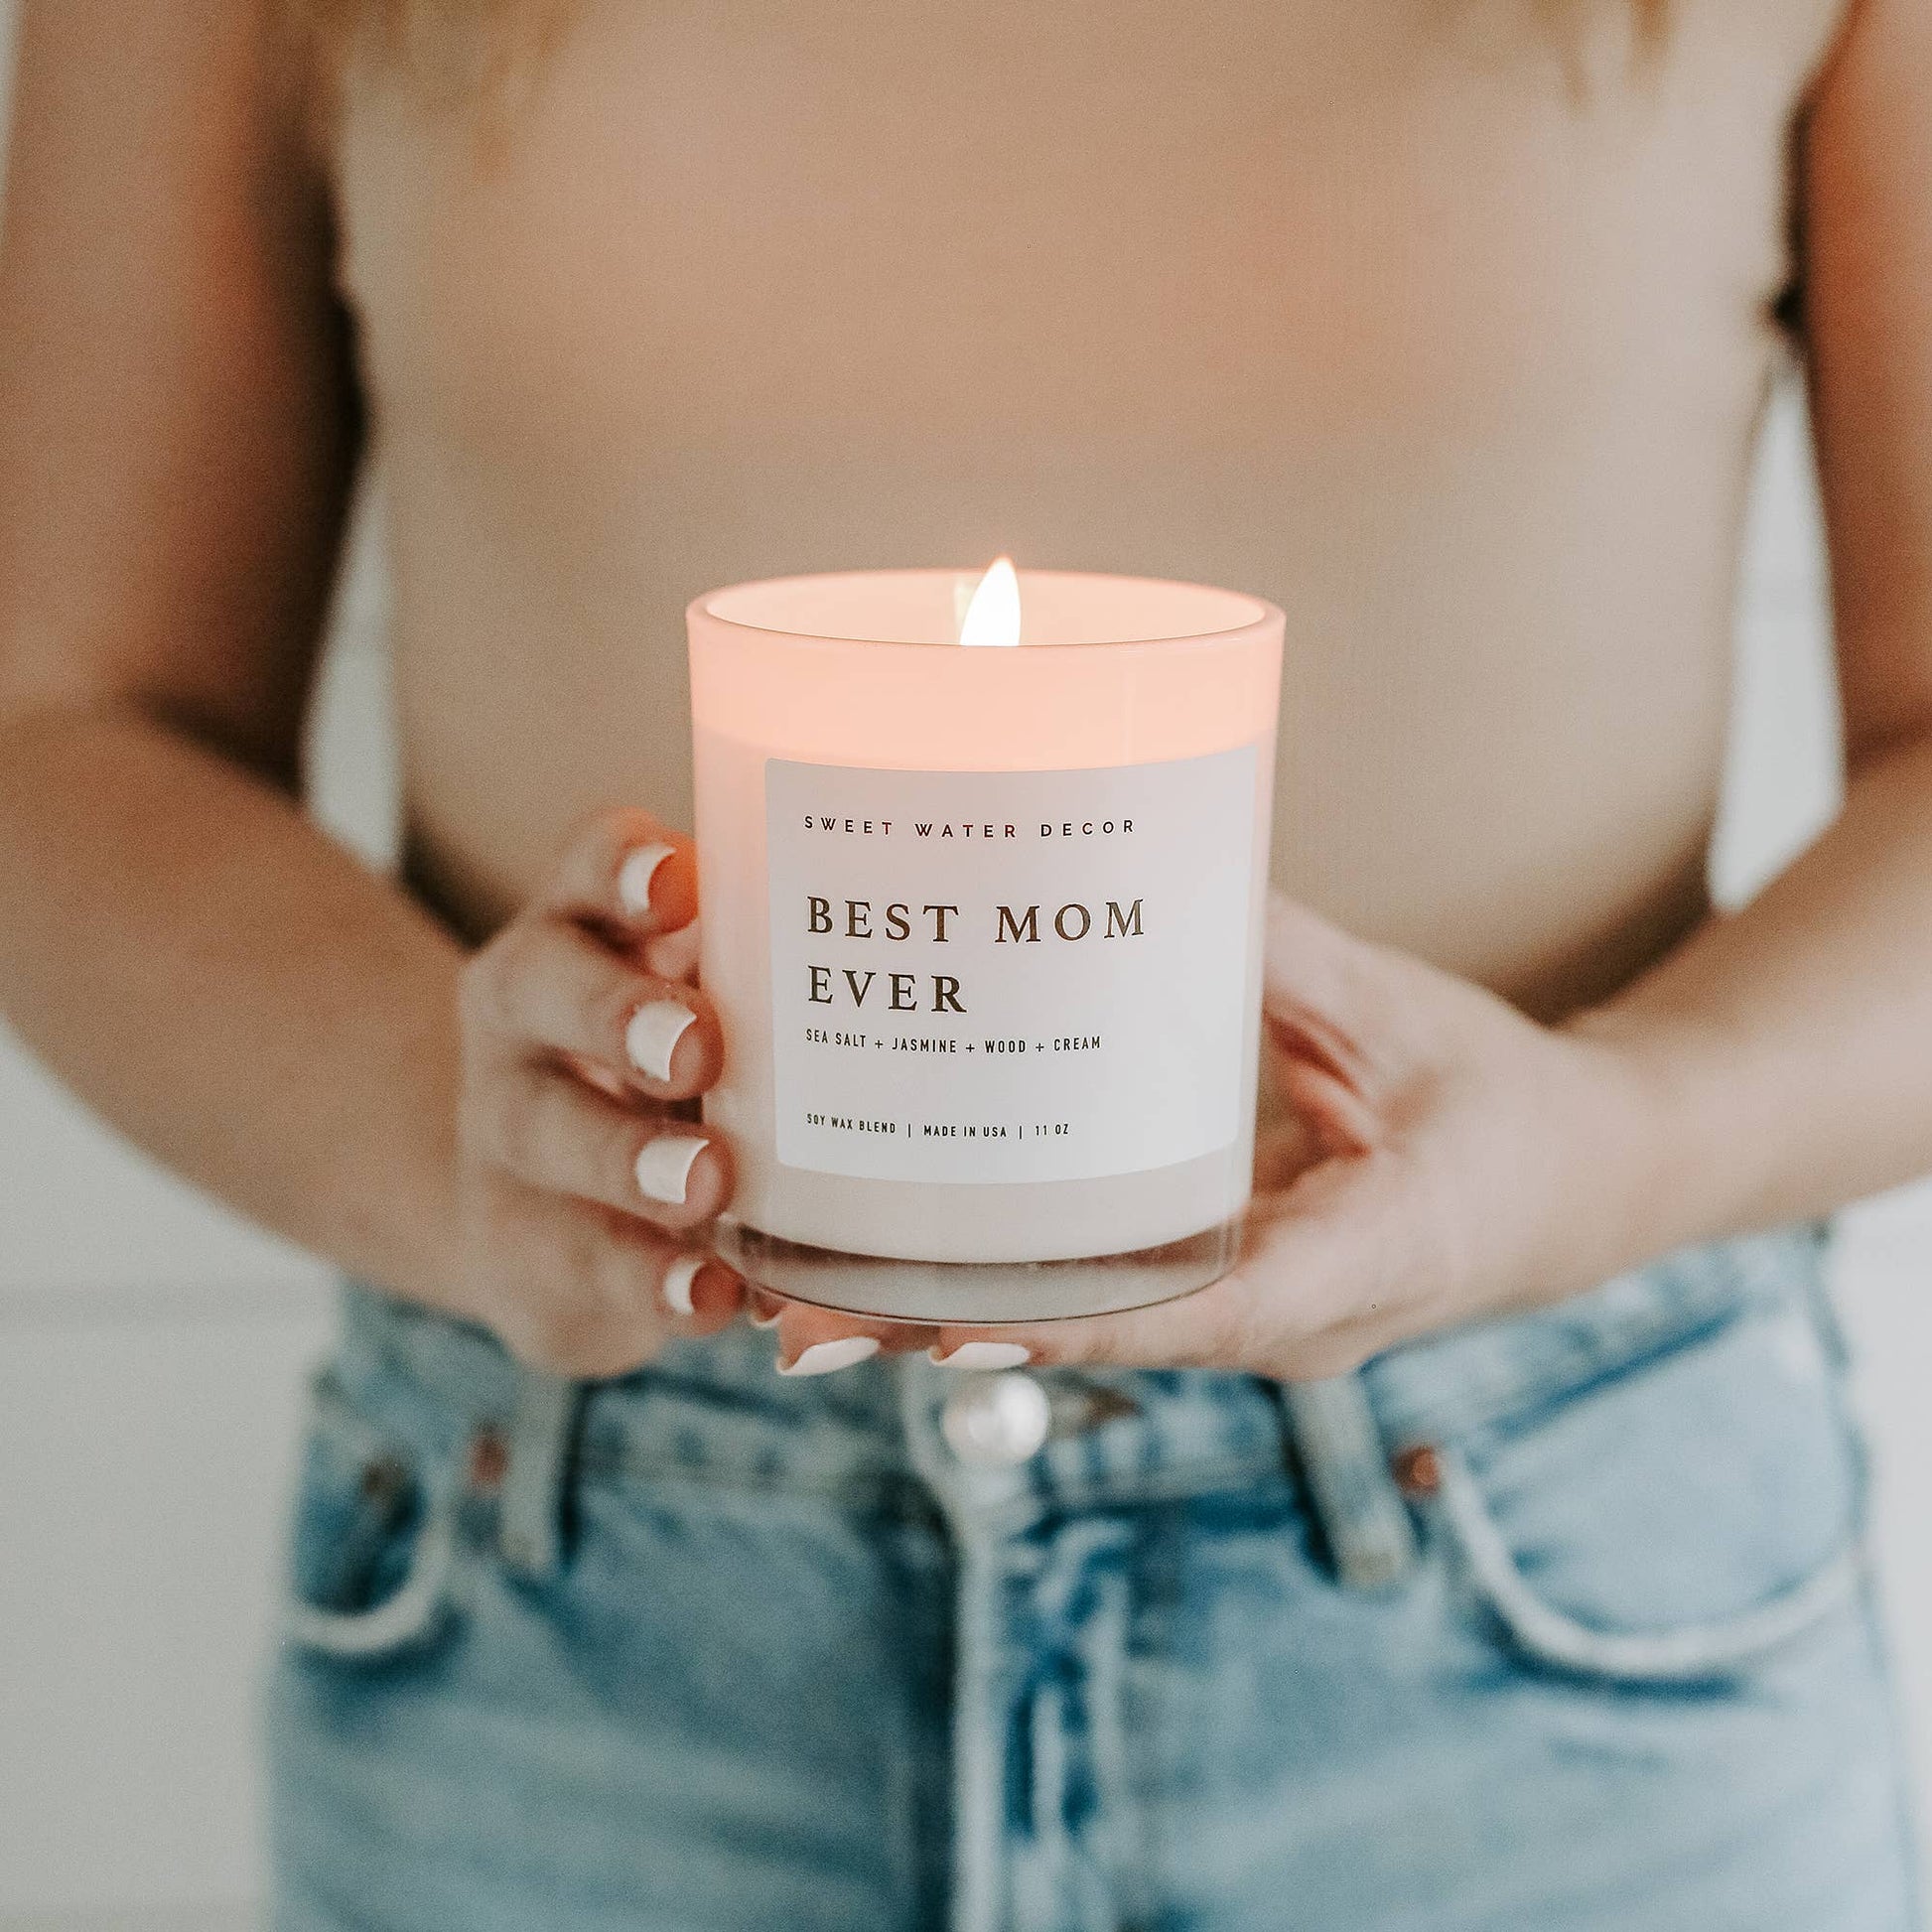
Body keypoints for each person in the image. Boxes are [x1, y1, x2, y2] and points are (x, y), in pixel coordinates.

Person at [0, 0, 1926, 1924]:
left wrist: (1616, 1140)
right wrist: (448, 1152)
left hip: (1550, 1597)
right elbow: (66, 723)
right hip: (577, 1596)